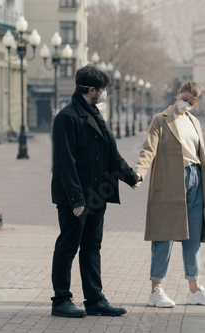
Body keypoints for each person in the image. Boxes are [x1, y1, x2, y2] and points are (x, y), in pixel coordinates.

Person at [51, 64, 140, 318]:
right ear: (91, 90)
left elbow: (112, 153)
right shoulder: (67, 117)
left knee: (92, 247)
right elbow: (64, 163)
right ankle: (60, 300)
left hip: (97, 196)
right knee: (68, 246)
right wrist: (76, 199)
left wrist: (130, 177)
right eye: (102, 89)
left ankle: (94, 299)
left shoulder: (95, 114)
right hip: (76, 199)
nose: (104, 93)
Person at [134, 81, 205, 308]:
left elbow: (198, 154)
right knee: (164, 236)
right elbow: (148, 148)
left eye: (192, 103)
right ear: (178, 93)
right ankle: (156, 290)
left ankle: (194, 290)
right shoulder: (161, 120)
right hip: (172, 182)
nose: (187, 105)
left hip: (195, 180)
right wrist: (139, 173)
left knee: (193, 239)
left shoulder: (195, 122)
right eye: (185, 99)